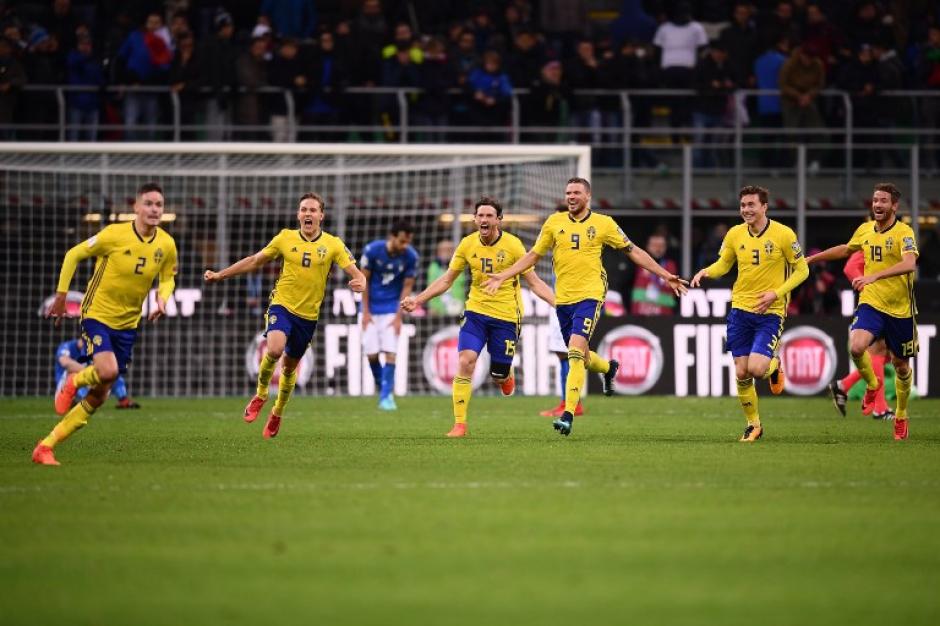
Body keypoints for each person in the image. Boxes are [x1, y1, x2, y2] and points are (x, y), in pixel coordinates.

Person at [484, 178, 687, 437]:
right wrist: (504, 275)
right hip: (564, 299)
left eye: (577, 192)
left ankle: (568, 414)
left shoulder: (603, 223)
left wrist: (663, 275)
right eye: (568, 192)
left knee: (575, 353)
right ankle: (607, 368)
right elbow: (534, 255)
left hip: (590, 295)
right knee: (579, 353)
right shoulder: (554, 223)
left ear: (588, 196)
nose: (571, 196)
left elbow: (633, 251)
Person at [34, 183, 177, 465]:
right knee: (107, 370)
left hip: (128, 323)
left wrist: (163, 299)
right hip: (97, 314)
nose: (154, 209)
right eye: (148, 203)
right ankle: (75, 380)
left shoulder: (166, 244)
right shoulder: (114, 235)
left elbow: (168, 276)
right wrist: (61, 297)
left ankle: (46, 446)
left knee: (101, 393)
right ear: (135, 207)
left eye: (159, 205)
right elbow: (73, 254)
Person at [204, 193, 365, 439]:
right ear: (298, 215)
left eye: (313, 210)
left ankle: (277, 412)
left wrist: (360, 280)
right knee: (275, 349)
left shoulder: (333, 244)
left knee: (290, 368)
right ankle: (260, 394)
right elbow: (255, 260)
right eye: (304, 210)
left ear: (321, 215)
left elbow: (356, 272)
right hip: (282, 305)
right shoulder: (284, 238)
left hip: (308, 317)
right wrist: (220, 275)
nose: (308, 214)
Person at [401, 197, 555, 438]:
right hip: (476, 313)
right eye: (480, 216)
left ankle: (505, 375)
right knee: (465, 360)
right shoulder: (467, 244)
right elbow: (446, 280)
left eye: (489, 216)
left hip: (506, 316)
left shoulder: (514, 246)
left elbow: (534, 283)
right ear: (475, 219)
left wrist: (559, 304)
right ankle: (459, 424)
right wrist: (418, 299)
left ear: (499, 220)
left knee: (498, 374)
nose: (483, 220)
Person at [691, 185, 808, 442]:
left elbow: (802, 271)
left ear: (764, 207)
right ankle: (753, 425)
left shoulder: (783, 234)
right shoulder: (735, 234)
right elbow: (724, 264)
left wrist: (776, 294)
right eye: (743, 205)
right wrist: (706, 271)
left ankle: (774, 365)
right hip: (740, 309)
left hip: (771, 310)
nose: (746, 210)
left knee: (756, 368)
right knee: (741, 372)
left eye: (751, 205)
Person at [807, 183, 918, 441]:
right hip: (872, 303)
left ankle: (901, 414)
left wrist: (874, 275)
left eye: (883, 201)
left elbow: (910, 263)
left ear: (894, 206)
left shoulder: (904, 232)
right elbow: (846, 250)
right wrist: (814, 259)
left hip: (900, 309)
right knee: (857, 347)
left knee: (901, 367)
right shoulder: (865, 229)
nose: (878, 205)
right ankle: (872, 383)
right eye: (875, 200)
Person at [826, 250, 893, 420]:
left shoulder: (893, 239)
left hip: (890, 302)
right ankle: (880, 407)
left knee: (887, 354)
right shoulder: (870, 238)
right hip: (874, 305)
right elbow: (850, 267)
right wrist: (868, 286)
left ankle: (843, 385)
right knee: (879, 350)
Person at [359, 221, 418, 410]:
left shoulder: (410, 256)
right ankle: (385, 388)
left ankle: (385, 397)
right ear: (392, 237)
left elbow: (407, 287)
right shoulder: (372, 251)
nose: (404, 246)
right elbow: (363, 281)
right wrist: (365, 312)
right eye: (401, 241)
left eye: (407, 242)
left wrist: (398, 316)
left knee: (391, 353)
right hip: (371, 309)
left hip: (392, 310)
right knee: (372, 355)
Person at [55, 337, 140, 409]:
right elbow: (65, 363)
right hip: (66, 384)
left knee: (112, 373)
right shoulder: (67, 346)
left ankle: (123, 400)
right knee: (74, 374)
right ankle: (77, 400)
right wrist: (88, 371)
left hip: (87, 381)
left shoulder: (92, 350)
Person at [630, 233, 678, 315]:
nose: (658, 248)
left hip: (664, 317)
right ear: (647, 246)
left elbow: (674, 295)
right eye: (654, 245)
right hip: (639, 317)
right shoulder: (636, 263)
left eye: (661, 245)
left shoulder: (670, 265)